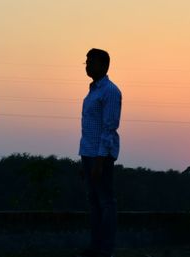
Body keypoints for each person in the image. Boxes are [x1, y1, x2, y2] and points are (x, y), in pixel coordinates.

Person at [77, 49, 122, 257]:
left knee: (105, 202)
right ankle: (95, 248)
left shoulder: (110, 91)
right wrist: (84, 158)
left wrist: (99, 160)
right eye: (86, 61)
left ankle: (106, 250)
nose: (86, 65)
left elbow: (109, 128)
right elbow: (88, 128)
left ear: (104, 65)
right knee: (94, 203)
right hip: (88, 154)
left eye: (90, 61)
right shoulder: (93, 91)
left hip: (100, 156)